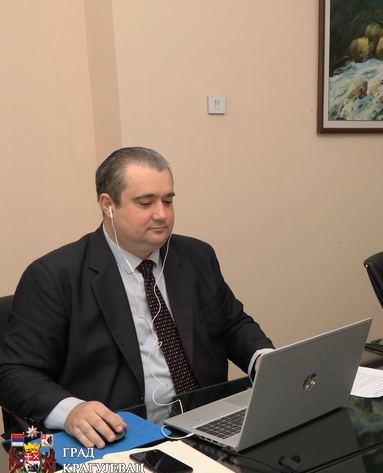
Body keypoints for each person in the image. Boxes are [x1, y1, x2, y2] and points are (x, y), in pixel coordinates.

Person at [0, 147, 274, 448]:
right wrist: (71, 411)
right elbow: (14, 372)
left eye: (168, 201)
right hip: (113, 437)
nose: (162, 214)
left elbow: (233, 325)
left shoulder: (197, 256)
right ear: (108, 205)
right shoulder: (53, 275)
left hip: (204, 427)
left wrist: (265, 361)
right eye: (146, 203)